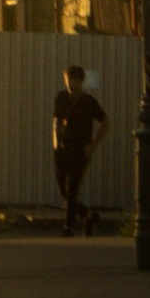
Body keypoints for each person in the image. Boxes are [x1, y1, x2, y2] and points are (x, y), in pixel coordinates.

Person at [52, 64, 107, 235]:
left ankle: (68, 227)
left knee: (73, 188)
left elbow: (105, 123)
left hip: (81, 148)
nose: (69, 83)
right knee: (64, 189)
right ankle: (89, 215)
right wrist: (55, 143)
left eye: (73, 80)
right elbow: (56, 121)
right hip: (63, 147)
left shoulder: (89, 102)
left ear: (80, 81)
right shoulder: (61, 97)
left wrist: (93, 145)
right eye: (67, 79)